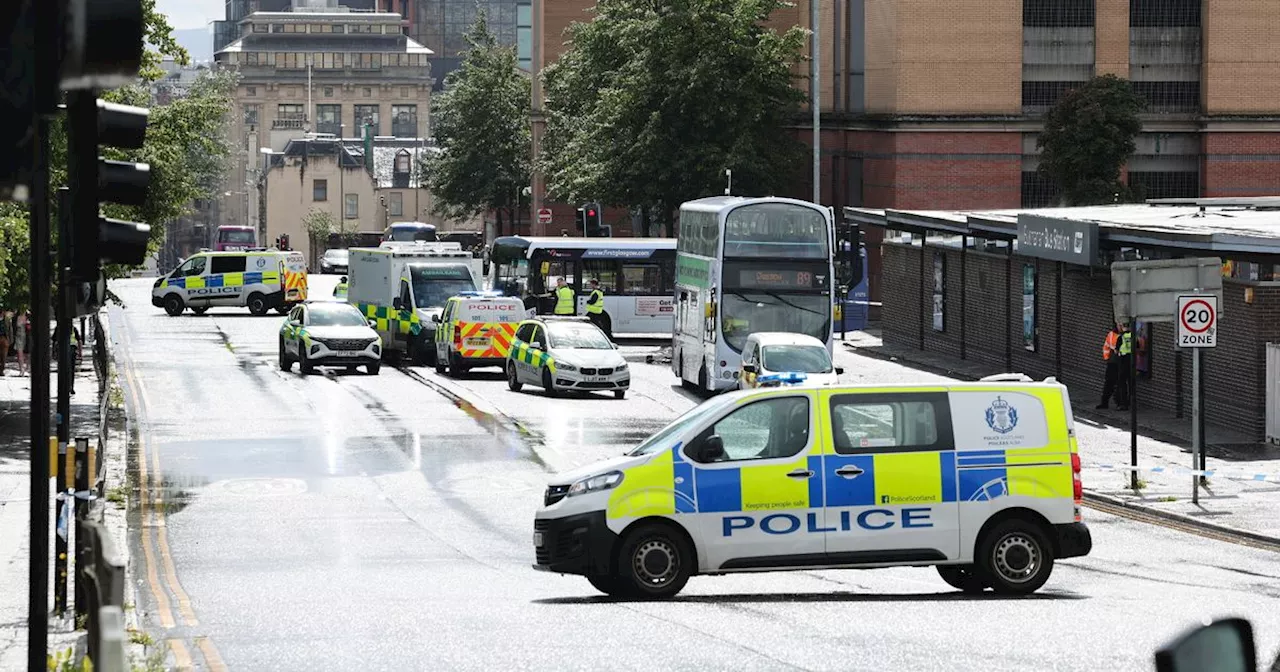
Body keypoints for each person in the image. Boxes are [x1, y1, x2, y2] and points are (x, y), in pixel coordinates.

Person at [1097, 321, 1131, 410]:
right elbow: (1106, 346)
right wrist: (1107, 358)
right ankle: (1105, 402)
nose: (1120, 326)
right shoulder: (1112, 334)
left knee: (1120, 383)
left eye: (1122, 325)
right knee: (1109, 383)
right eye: (1119, 324)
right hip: (1113, 362)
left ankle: (1121, 403)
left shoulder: (1126, 336)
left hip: (1122, 361)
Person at [13, 311, 28, 376]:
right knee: (20, 354)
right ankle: (21, 370)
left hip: (28, 337)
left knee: (27, 354)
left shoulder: (29, 316)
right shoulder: (15, 317)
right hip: (18, 337)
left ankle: (27, 369)